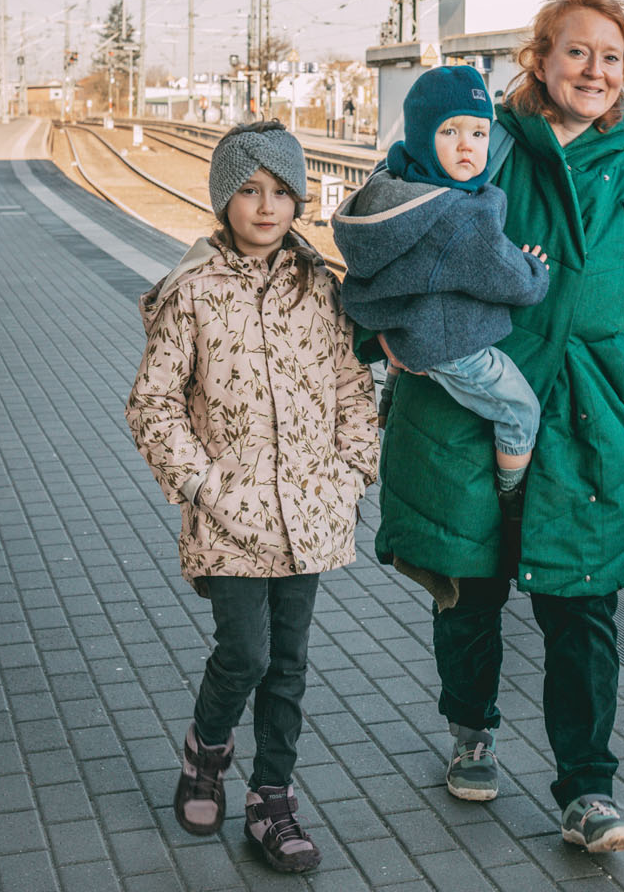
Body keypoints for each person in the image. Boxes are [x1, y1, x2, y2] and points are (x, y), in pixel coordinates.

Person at [370, 0, 624, 854]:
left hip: (590, 427)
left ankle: (587, 790)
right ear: (541, 61)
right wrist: (381, 338)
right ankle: (471, 728)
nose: (593, 69)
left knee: (582, 609)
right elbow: (392, 239)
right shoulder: (480, 151)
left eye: (610, 56)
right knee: (470, 592)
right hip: (467, 413)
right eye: (576, 52)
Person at [125, 120, 380, 874]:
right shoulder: (191, 292)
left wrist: (351, 472)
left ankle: (273, 797)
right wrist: (201, 484)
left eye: (281, 191)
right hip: (229, 516)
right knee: (245, 652)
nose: (267, 206)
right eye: (249, 189)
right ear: (223, 198)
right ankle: (208, 748)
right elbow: (153, 402)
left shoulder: (320, 290)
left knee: (291, 662)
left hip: (310, 514)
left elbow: (352, 387)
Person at [332, 63, 551, 506]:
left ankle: (387, 407)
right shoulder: (460, 219)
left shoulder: (392, 183)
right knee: (521, 410)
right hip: (454, 346)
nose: (467, 146)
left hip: (405, 326)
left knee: (407, 354)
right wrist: (535, 269)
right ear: (421, 135)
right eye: (449, 132)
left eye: (479, 133)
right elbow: (510, 280)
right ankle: (511, 492)